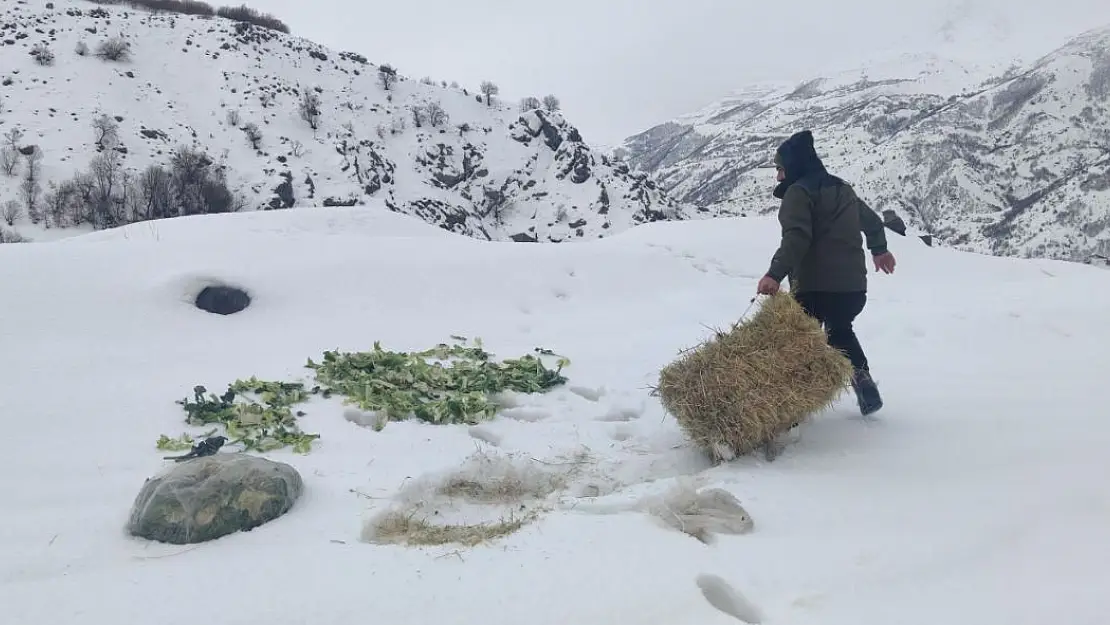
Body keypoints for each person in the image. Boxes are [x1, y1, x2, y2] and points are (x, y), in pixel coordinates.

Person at [755, 129, 895, 416]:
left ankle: (789, 405)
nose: (778, 177)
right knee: (839, 331)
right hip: (853, 289)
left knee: (797, 341)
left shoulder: (798, 192)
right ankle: (864, 382)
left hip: (814, 287)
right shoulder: (843, 188)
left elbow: (797, 238)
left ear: (793, 166)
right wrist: (879, 250)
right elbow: (872, 223)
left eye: (780, 169)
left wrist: (774, 274)